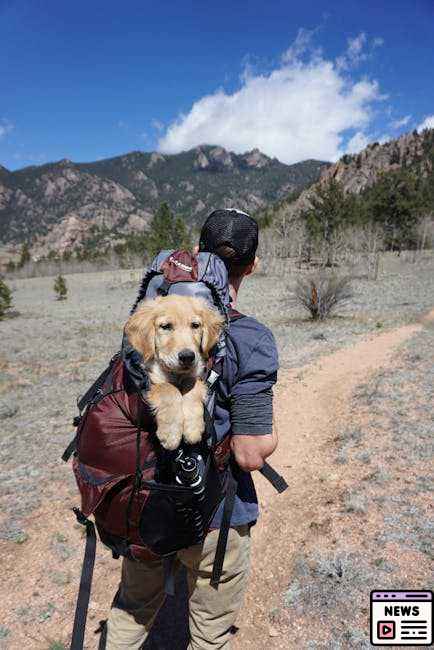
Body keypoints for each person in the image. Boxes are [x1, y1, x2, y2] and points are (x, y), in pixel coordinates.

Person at [106, 208, 279, 649]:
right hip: (216, 515)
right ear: (253, 265)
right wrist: (271, 438)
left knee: (131, 610)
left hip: (144, 501)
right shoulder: (252, 338)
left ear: (197, 255)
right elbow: (249, 453)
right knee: (208, 631)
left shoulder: (154, 322)